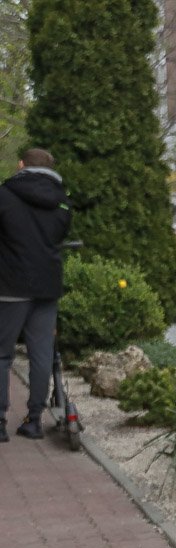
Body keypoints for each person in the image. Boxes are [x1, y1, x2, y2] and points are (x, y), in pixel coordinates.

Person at [0, 147, 72, 443]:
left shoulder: (4, 195)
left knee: (2, 354)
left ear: (21, 165)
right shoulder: (62, 200)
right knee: (41, 354)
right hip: (47, 286)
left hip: (10, 285)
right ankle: (34, 420)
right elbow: (60, 235)